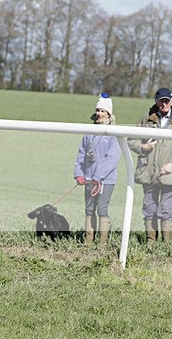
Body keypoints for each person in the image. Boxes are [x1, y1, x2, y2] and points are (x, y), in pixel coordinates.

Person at [73, 94, 121, 244]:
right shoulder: (89, 132)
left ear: (108, 114)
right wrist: (79, 174)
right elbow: (81, 154)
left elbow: (112, 158)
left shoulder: (114, 134)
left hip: (105, 181)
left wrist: (98, 176)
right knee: (88, 209)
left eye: (102, 111)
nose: (99, 114)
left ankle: (102, 243)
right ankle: (88, 241)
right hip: (88, 178)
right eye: (97, 110)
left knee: (102, 209)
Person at [127, 87, 172, 242]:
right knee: (149, 208)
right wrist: (143, 148)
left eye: (167, 101)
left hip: (169, 174)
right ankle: (150, 242)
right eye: (161, 101)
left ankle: (166, 245)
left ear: (171, 102)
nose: (164, 104)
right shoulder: (146, 118)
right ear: (156, 101)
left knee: (166, 210)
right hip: (148, 172)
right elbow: (131, 139)